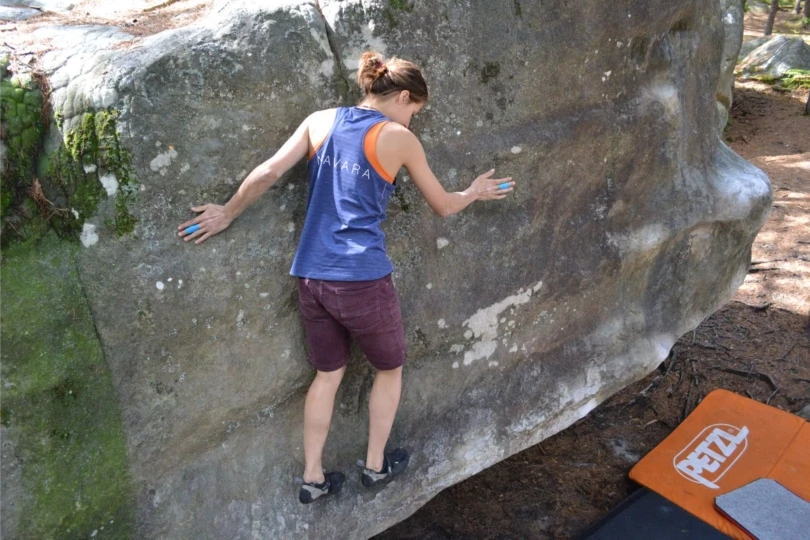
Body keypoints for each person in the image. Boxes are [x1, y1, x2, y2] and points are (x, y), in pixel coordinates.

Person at [177, 51, 515, 504]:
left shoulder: (320, 120)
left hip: (311, 276)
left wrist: (228, 212)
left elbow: (270, 170)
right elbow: (443, 204)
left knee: (327, 374)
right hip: (361, 277)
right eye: (414, 111)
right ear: (401, 97)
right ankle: (375, 467)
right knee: (390, 369)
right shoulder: (398, 138)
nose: (413, 122)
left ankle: (312, 478)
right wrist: (473, 192)